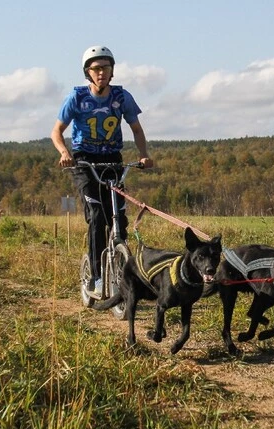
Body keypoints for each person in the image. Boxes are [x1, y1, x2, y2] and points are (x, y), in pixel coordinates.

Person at [51, 45, 153, 294]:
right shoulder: (76, 98)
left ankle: (123, 272)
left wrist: (143, 155)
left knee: (118, 215)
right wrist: (65, 153)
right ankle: (95, 275)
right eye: (96, 68)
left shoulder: (121, 97)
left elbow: (136, 130)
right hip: (84, 161)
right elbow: (56, 131)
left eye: (106, 68)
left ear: (112, 71)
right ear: (88, 72)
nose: (101, 73)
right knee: (97, 214)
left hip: (112, 160)